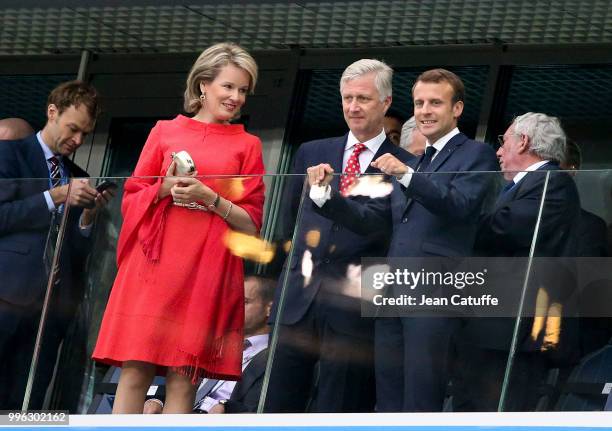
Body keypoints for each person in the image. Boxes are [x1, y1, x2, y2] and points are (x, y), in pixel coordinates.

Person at [307, 68, 499, 411]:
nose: (424, 110)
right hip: (392, 289)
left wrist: (406, 174)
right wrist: (325, 197)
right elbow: (376, 222)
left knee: (422, 393)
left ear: (456, 109)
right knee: (389, 395)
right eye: (419, 103)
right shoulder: (419, 161)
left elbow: (458, 204)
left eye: (435, 103)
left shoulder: (475, 154)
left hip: (433, 289)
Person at [92, 42, 266, 414]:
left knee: (184, 376)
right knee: (135, 368)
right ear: (203, 85)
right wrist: (165, 188)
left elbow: (251, 222)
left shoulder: (248, 144)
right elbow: (132, 196)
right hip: (154, 265)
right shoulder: (164, 131)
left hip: (206, 267)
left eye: (243, 91)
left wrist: (211, 198)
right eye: (228, 87)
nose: (236, 97)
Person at [265, 59, 413, 413]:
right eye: (347, 98)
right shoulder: (312, 152)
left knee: (340, 407)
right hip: (298, 299)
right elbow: (290, 225)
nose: (353, 107)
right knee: (276, 407)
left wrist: (326, 197)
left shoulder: (403, 163)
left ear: (386, 102)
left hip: (354, 300)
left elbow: (379, 225)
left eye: (362, 98)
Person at [453, 112, 581, 411]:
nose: (498, 151)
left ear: (523, 142)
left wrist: (454, 213)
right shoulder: (523, 185)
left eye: (504, 141)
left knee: (498, 413)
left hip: (514, 333)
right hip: (490, 328)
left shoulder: (553, 181)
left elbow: (505, 228)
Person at [0, 81, 112, 409]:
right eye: (73, 129)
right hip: (6, 294)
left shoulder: (78, 174)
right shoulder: (10, 154)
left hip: (51, 308)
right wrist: (56, 196)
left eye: (85, 135)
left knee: (27, 401)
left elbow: (76, 252)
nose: (77, 141)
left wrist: (88, 218)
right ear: (52, 112)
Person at [143, 275, 275, 414]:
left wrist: (226, 408)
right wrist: (157, 401)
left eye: (244, 302)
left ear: (269, 309)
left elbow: (262, 410)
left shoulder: (273, 358)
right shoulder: (216, 344)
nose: (233, 308)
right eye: (231, 302)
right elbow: (179, 384)